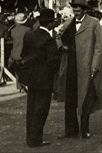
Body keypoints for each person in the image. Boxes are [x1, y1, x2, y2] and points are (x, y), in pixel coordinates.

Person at [57, 0, 102, 139]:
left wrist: (95, 66)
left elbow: (100, 46)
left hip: (86, 67)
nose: (76, 11)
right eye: (74, 8)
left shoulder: (94, 23)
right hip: (70, 67)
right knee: (70, 100)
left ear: (84, 9)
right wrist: (61, 46)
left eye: (79, 9)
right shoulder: (67, 22)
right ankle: (70, 131)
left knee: (85, 100)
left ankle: (84, 130)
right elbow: (58, 36)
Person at [19, 9, 60, 148]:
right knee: (41, 109)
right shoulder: (49, 40)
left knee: (31, 108)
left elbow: (24, 54)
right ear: (50, 24)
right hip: (44, 79)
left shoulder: (29, 35)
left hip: (32, 78)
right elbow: (54, 61)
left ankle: (30, 137)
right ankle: (37, 139)